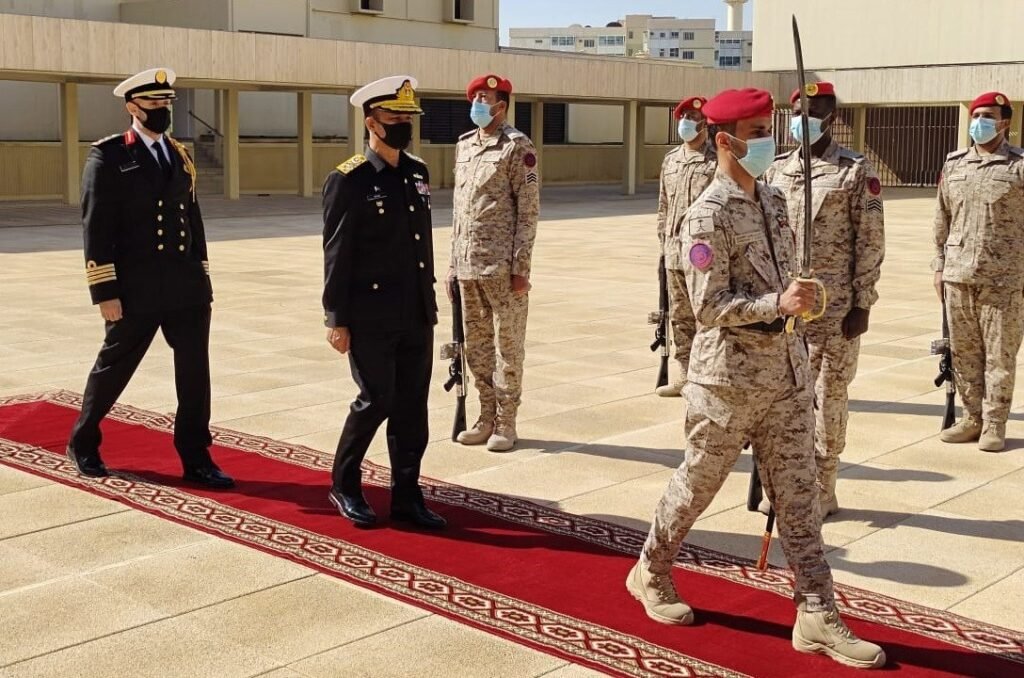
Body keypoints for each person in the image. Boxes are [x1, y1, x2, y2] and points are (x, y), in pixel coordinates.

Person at [626, 88, 886, 670]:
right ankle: (651, 569)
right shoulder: (706, 214)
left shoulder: (772, 199)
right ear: (725, 141)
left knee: (800, 498)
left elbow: (782, 279)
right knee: (697, 485)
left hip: (787, 376)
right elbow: (708, 305)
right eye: (757, 132)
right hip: (728, 381)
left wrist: (803, 296)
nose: (770, 139)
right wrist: (776, 303)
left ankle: (816, 611)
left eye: (769, 128)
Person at [66, 68, 232, 489]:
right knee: (113, 367)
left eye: (166, 103)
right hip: (135, 288)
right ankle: (83, 441)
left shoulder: (179, 154)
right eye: (153, 103)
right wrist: (104, 290)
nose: (162, 110)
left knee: (194, 375)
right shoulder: (108, 156)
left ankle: (196, 456)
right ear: (132, 107)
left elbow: (192, 218)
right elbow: (96, 227)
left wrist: (202, 277)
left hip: (185, 287)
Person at [322, 75, 445, 530]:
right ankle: (345, 484)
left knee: (412, 407)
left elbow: (420, 243)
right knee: (376, 399)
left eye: (408, 117)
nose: (403, 124)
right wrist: (336, 318)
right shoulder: (349, 179)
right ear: (371, 122)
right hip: (370, 313)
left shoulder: (417, 172)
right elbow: (337, 252)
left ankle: (407, 496)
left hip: (415, 310)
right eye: (394, 116)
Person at [762, 82, 885, 516]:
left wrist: (863, 302)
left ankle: (823, 485)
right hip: (784, 307)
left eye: (812, 112)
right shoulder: (777, 170)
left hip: (835, 309)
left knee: (828, 398)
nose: (802, 120)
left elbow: (870, 240)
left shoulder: (854, 171)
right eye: (798, 111)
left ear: (831, 118)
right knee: (783, 399)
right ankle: (785, 483)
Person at [448, 74, 540, 452]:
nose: (478, 104)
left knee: (508, 347)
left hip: (501, 268)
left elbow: (528, 211)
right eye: (475, 98)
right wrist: (452, 265)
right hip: (468, 266)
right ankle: (485, 415)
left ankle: (506, 421)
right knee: (478, 347)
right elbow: (460, 211)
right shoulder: (464, 145)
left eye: (485, 98)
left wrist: (521, 268)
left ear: (501, 105)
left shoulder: (518, 147)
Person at [933, 92, 1024, 452]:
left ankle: (995, 423)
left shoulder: (1018, 166)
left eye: (988, 115)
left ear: (1004, 122)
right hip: (958, 276)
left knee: (999, 356)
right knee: (964, 353)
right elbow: (942, 218)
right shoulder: (955, 164)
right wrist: (938, 266)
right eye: (975, 115)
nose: (979, 122)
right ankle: (972, 418)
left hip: (1004, 279)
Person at [656, 95, 716, 397]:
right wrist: (664, 242)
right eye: (683, 118)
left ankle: (707, 376)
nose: (686, 123)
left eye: (693, 118)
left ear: (705, 123)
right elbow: (663, 206)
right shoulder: (671, 160)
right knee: (679, 317)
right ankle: (683, 374)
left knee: (706, 315)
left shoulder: (716, 160)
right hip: (674, 253)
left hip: (704, 255)